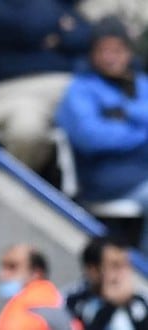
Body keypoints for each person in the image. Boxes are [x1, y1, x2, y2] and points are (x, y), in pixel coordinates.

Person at [0, 0, 91, 173]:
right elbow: (17, 24)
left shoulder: (51, 4)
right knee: (26, 129)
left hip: (66, 85)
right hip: (8, 91)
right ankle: (8, 193)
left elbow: (84, 34)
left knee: (109, 106)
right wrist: (54, 28)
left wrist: (49, 33)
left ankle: (109, 193)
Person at [55, 16, 148, 254]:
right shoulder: (80, 89)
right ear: (92, 53)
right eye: (103, 50)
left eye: (117, 50)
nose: (110, 57)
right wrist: (141, 133)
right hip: (104, 178)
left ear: (128, 53)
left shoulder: (142, 83)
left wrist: (125, 113)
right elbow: (91, 137)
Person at [65, 238, 148, 329]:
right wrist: (111, 306)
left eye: (126, 265)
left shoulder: (140, 301)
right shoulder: (73, 300)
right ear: (93, 271)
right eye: (115, 266)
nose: (123, 273)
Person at [0, 244, 76, 330]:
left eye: (12, 267)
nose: (2, 275)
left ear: (36, 273)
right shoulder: (56, 301)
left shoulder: (30, 308)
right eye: (2, 267)